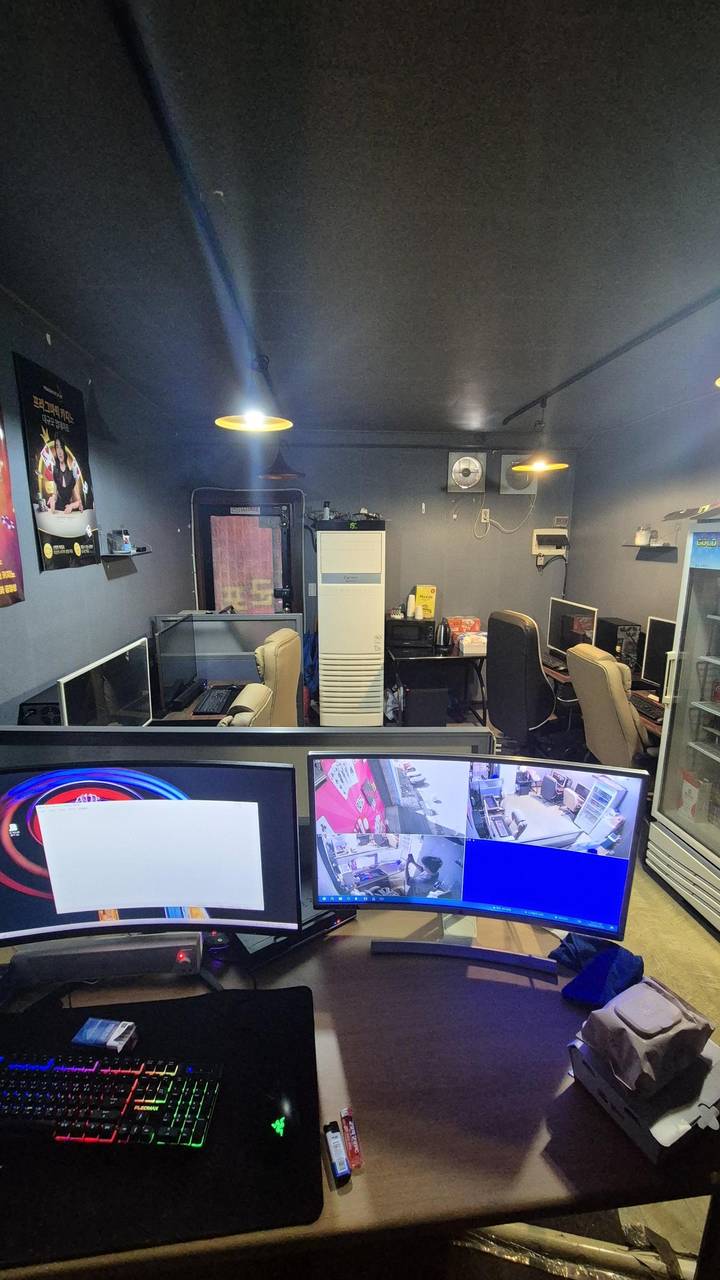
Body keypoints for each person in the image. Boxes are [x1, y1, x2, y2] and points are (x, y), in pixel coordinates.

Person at [47, 437, 83, 513]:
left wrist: (71, 506)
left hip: (70, 514)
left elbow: (79, 501)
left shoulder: (72, 473)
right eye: (57, 447)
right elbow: (55, 495)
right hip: (58, 512)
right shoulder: (55, 472)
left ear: (65, 449)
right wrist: (52, 499)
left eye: (61, 447)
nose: (59, 451)